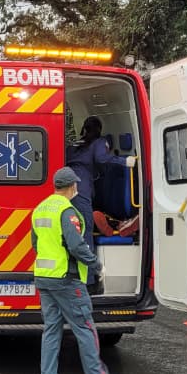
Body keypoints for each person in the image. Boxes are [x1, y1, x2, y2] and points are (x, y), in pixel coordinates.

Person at [31, 167, 121, 374]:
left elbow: (35, 244)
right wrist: (96, 265)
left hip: (44, 278)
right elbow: (76, 246)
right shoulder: (67, 211)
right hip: (66, 279)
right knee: (85, 327)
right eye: (76, 185)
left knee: (51, 329)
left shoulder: (40, 209)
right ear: (71, 186)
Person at [66, 117, 136, 286]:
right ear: (99, 129)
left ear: (83, 129)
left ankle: (71, 274)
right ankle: (89, 280)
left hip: (65, 189)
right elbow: (102, 159)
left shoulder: (73, 145)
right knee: (85, 231)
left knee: (71, 230)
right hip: (81, 189)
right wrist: (125, 161)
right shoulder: (98, 143)